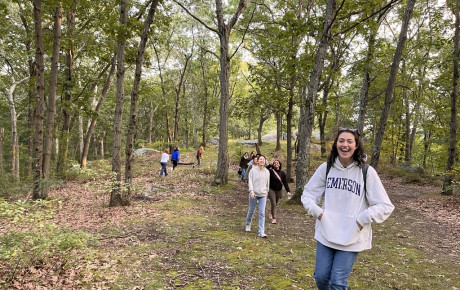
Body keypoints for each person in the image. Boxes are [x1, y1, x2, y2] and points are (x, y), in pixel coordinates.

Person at [301, 127, 394, 290]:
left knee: (338, 282)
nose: (345, 145)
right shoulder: (327, 168)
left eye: (350, 141)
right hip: (327, 232)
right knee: (321, 278)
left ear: (356, 145)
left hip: (352, 235)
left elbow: (385, 205)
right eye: (341, 141)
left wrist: (362, 219)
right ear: (336, 144)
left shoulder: (366, 172)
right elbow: (308, 193)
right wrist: (319, 213)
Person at [246, 155, 270, 238]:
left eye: (263, 159)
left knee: (262, 213)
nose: (262, 161)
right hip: (254, 194)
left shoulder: (267, 171)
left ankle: (261, 231)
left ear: (265, 161)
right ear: (257, 161)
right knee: (251, 210)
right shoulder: (253, 170)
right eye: (260, 159)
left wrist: (267, 192)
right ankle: (248, 223)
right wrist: (251, 191)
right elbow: (250, 182)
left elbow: (267, 183)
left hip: (263, 194)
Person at [267, 160, 291, 224]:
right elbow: (265, 169)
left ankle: (271, 213)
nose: (276, 164)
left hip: (279, 190)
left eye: (277, 163)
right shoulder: (271, 171)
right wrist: (270, 165)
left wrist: (288, 191)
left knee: (275, 203)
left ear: (279, 165)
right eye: (274, 163)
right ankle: (274, 218)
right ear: (273, 165)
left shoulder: (282, 173)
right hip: (271, 189)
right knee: (273, 203)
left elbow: (285, 183)